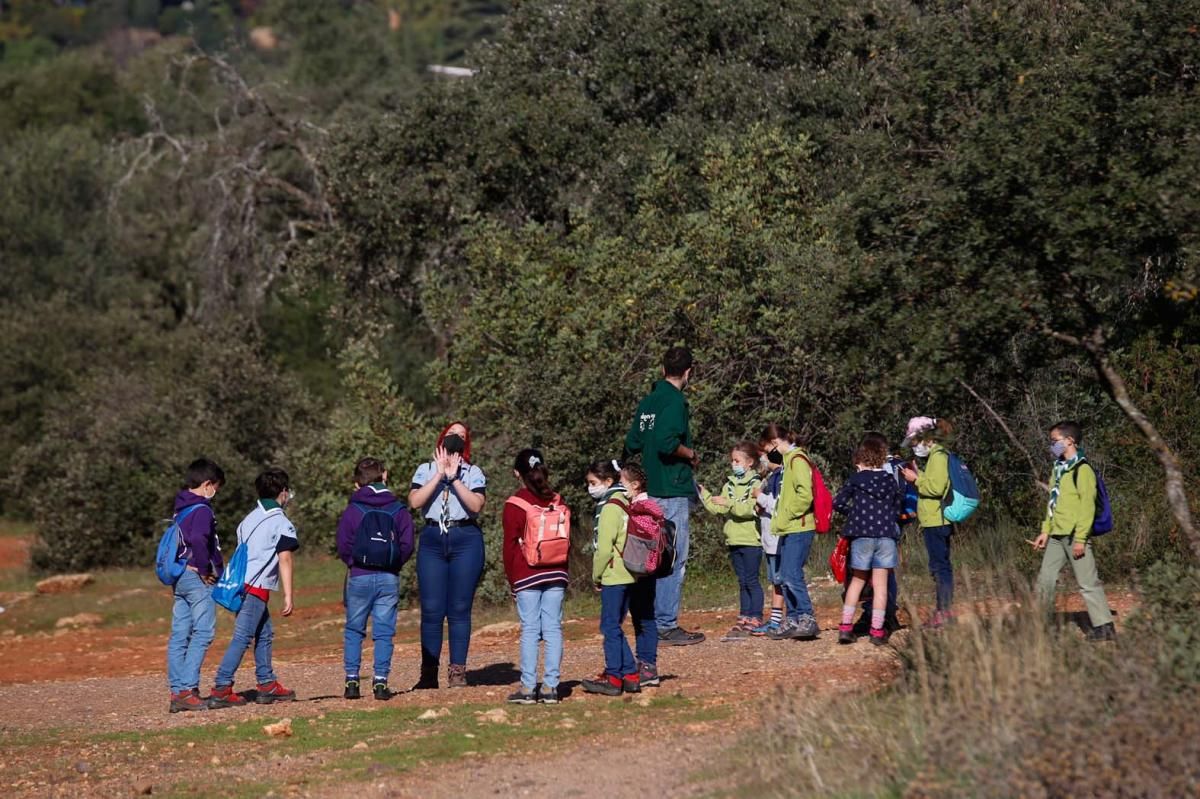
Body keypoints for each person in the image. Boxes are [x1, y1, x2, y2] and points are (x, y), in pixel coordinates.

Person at [624, 346, 705, 646]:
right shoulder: (675, 401)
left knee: (647, 555)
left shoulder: (648, 402)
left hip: (647, 490)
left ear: (661, 370)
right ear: (688, 372)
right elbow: (666, 442)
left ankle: (646, 621)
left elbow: (633, 442)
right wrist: (691, 454)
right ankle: (666, 624)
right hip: (671, 489)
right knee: (672, 558)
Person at [208, 468, 298, 708]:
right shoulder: (280, 521)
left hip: (241, 584)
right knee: (243, 637)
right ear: (283, 493)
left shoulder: (248, 519)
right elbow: (285, 558)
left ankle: (267, 684)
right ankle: (221, 687)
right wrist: (288, 595)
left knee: (264, 633)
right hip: (256, 587)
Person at [409, 421, 487, 689]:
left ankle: (458, 672)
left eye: (462, 436)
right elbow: (415, 501)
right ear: (442, 438)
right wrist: (439, 474)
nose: (456, 438)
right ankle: (428, 674)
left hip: (464, 538)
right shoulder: (425, 469)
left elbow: (476, 505)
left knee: (459, 608)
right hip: (432, 539)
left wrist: (454, 478)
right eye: (452, 434)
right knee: (431, 610)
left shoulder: (473, 471)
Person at [336, 457, 414, 701]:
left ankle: (351, 681)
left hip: (359, 575)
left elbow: (343, 543)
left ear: (357, 482)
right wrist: (394, 564)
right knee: (383, 631)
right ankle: (380, 682)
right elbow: (408, 544)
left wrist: (353, 563)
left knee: (354, 629)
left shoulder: (353, 509)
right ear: (385, 475)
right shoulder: (398, 509)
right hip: (388, 577)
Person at [1031, 421, 1116, 641]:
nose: (1052, 446)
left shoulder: (1083, 470)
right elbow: (1053, 502)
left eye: (1055, 441)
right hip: (1057, 536)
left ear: (1070, 441)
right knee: (1045, 580)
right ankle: (1040, 624)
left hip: (1076, 536)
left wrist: (1080, 539)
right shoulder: (1058, 469)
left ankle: (1104, 626)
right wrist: (1045, 531)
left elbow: (1087, 508)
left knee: (1087, 582)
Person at [582, 463, 659, 696]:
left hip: (613, 574)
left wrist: (596, 575)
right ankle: (630, 675)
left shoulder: (610, 507)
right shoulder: (628, 502)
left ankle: (615, 677)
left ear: (608, 482)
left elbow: (604, 548)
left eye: (593, 483)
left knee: (610, 626)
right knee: (614, 625)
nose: (590, 488)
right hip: (630, 574)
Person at [503, 448, 570, 704]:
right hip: (556, 571)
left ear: (517, 473)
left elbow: (509, 547)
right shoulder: (558, 500)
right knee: (553, 627)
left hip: (526, 573)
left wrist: (512, 581)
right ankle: (551, 687)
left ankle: (528, 688)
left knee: (530, 629)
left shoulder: (514, 504)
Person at [166, 458, 225, 713]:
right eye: (216, 488)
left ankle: (177, 689)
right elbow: (200, 540)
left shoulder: (180, 508)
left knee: (180, 634)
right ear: (207, 484)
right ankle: (188, 690)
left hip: (179, 576)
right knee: (203, 632)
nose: (215, 494)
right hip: (195, 576)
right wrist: (205, 570)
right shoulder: (202, 510)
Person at [834, 436, 902, 645]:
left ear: (859, 460)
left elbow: (838, 502)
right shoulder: (890, 480)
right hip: (886, 536)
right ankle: (877, 631)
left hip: (862, 535)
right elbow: (896, 507)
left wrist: (854, 514)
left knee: (858, 581)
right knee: (881, 586)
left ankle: (846, 628)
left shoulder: (856, 480)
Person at [698, 441, 764, 641]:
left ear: (749, 462)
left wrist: (729, 502)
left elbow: (749, 510)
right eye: (732, 461)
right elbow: (719, 509)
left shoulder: (757, 484)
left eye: (737, 460)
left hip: (752, 540)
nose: (733, 464)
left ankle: (756, 616)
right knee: (742, 581)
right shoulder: (728, 485)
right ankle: (744, 615)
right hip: (733, 539)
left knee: (752, 580)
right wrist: (705, 494)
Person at [762, 424, 821, 640]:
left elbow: (805, 496)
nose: (768, 454)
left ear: (774, 443)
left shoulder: (797, 460)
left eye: (767, 449)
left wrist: (785, 515)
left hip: (799, 526)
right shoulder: (788, 461)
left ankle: (807, 617)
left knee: (792, 574)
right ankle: (794, 618)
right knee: (785, 575)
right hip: (789, 526)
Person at [900, 417, 955, 627]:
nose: (914, 446)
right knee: (939, 566)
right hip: (933, 520)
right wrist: (919, 474)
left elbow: (937, 488)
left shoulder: (939, 455)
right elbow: (934, 482)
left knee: (940, 567)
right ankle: (943, 611)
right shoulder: (935, 456)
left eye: (915, 441)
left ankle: (944, 612)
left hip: (937, 520)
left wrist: (916, 480)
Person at [752, 440, 786, 636]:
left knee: (782, 580)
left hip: (777, 539)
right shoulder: (771, 478)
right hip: (769, 540)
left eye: (764, 455)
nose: (762, 459)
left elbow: (777, 506)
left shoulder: (780, 478)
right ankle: (775, 620)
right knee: (776, 581)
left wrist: (760, 497)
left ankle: (791, 618)